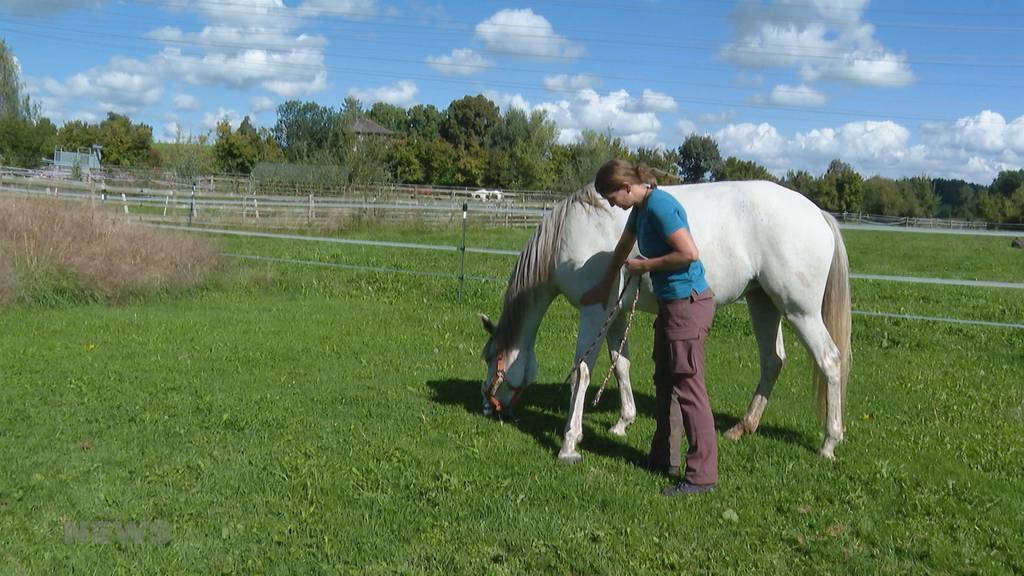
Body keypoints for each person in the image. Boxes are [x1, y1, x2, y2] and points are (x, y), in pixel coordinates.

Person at [581, 159, 718, 496]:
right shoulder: (640, 210)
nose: (612, 204)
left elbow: (689, 253)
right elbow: (623, 247)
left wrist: (646, 266)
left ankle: (701, 476)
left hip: (687, 304)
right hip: (671, 306)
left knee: (688, 388)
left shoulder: (660, 206)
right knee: (665, 383)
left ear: (627, 187)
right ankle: (663, 458)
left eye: (613, 197)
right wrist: (604, 284)